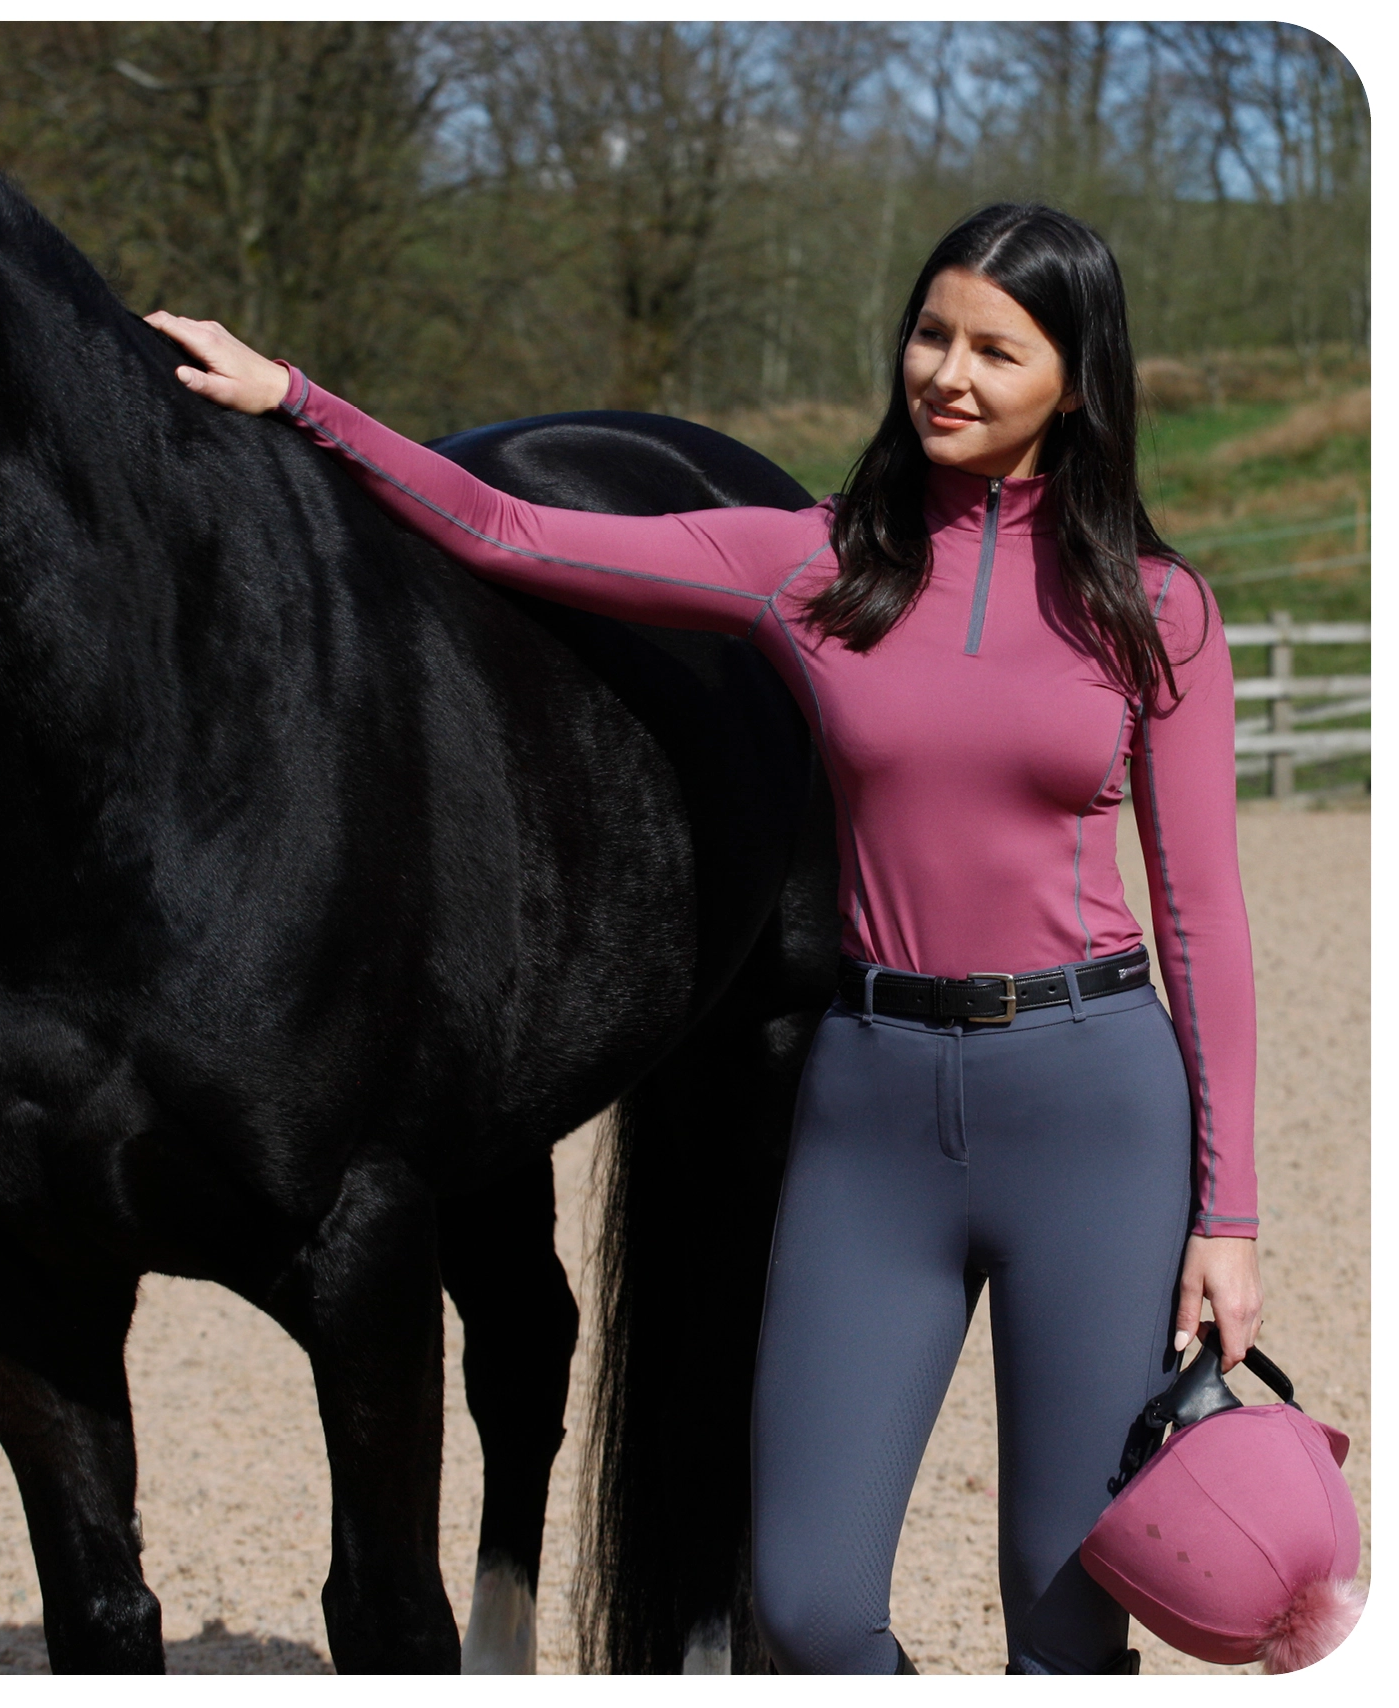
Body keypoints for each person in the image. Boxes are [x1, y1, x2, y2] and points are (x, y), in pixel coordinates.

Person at [145, 202, 1263, 1676]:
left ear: (1077, 378)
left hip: (1091, 1106)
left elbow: (1200, 919)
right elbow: (511, 527)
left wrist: (1226, 1218)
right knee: (797, 1603)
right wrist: (299, 399)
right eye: (931, 334)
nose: (948, 373)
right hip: (870, 1099)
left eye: (998, 349)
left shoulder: (1151, 608)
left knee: (1063, 1623)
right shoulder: (809, 565)